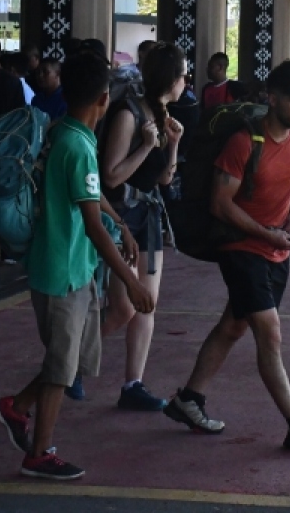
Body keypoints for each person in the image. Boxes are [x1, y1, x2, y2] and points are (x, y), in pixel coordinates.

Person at [0, 52, 155, 481]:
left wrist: (121, 224)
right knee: (61, 367)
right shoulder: (77, 145)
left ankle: (17, 407)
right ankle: (39, 453)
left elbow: (92, 195)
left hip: (75, 268)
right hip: (61, 270)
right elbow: (92, 225)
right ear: (104, 98)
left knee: (74, 361)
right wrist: (131, 282)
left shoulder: (69, 133)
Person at [163, 60, 290, 451]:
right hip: (241, 247)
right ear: (272, 98)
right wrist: (266, 233)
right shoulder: (244, 143)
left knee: (233, 326)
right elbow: (220, 204)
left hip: (275, 250)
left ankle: (189, 399)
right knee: (269, 333)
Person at [99, 42, 185, 411]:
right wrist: (147, 146)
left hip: (148, 215)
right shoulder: (129, 114)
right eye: (183, 76)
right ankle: (72, 361)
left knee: (146, 304)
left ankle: (133, 383)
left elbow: (163, 180)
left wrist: (173, 145)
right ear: (171, 79)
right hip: (122, 217)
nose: (186, 82)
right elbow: (111, 176)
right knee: (124, 308)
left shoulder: (161, 116)